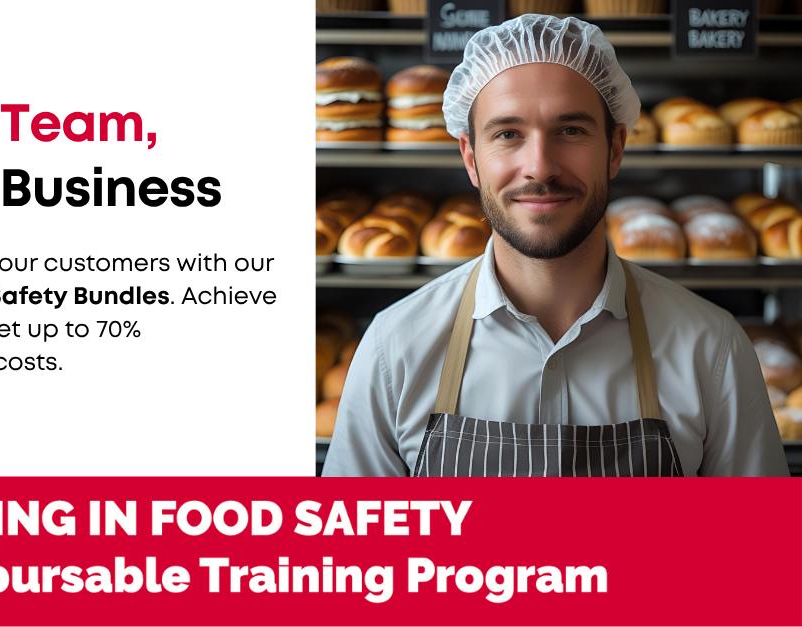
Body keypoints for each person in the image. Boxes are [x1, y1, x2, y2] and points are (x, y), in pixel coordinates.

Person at [322, 14, 789, 477]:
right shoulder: (395, 348)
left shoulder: (711, 349)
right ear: (470, 157)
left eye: (571, 131)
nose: (539, 167)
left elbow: (756, 550)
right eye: (508, 134)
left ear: (615, 149)